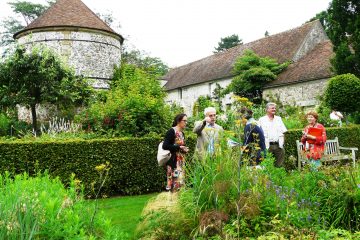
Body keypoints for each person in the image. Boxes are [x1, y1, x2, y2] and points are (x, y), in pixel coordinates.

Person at [163, 113, 189, 191]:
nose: (186, 123)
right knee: (175, 186)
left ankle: (177, 202)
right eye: (184, 121)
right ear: (178, 121)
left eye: (186, 121)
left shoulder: (182, 133)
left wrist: (184, 149)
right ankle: (172, 202)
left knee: (180, 186)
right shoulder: (172, 131)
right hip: (174, 163)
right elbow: (165, 145)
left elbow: (180, 147)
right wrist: (179, 147)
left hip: (181, 162)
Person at [258, 103, 287, 168]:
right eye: (272, 108)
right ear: (267, 109)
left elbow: (283, 132)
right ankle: (268, 178)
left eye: (275, 108)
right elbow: (258, 134)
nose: (274, 109)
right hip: (267, 146)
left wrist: (283, 144)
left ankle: (279, 178)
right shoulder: (262, 120)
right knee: (267, 166)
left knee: (279, 165)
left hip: (278, 146)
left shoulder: (279, 119)